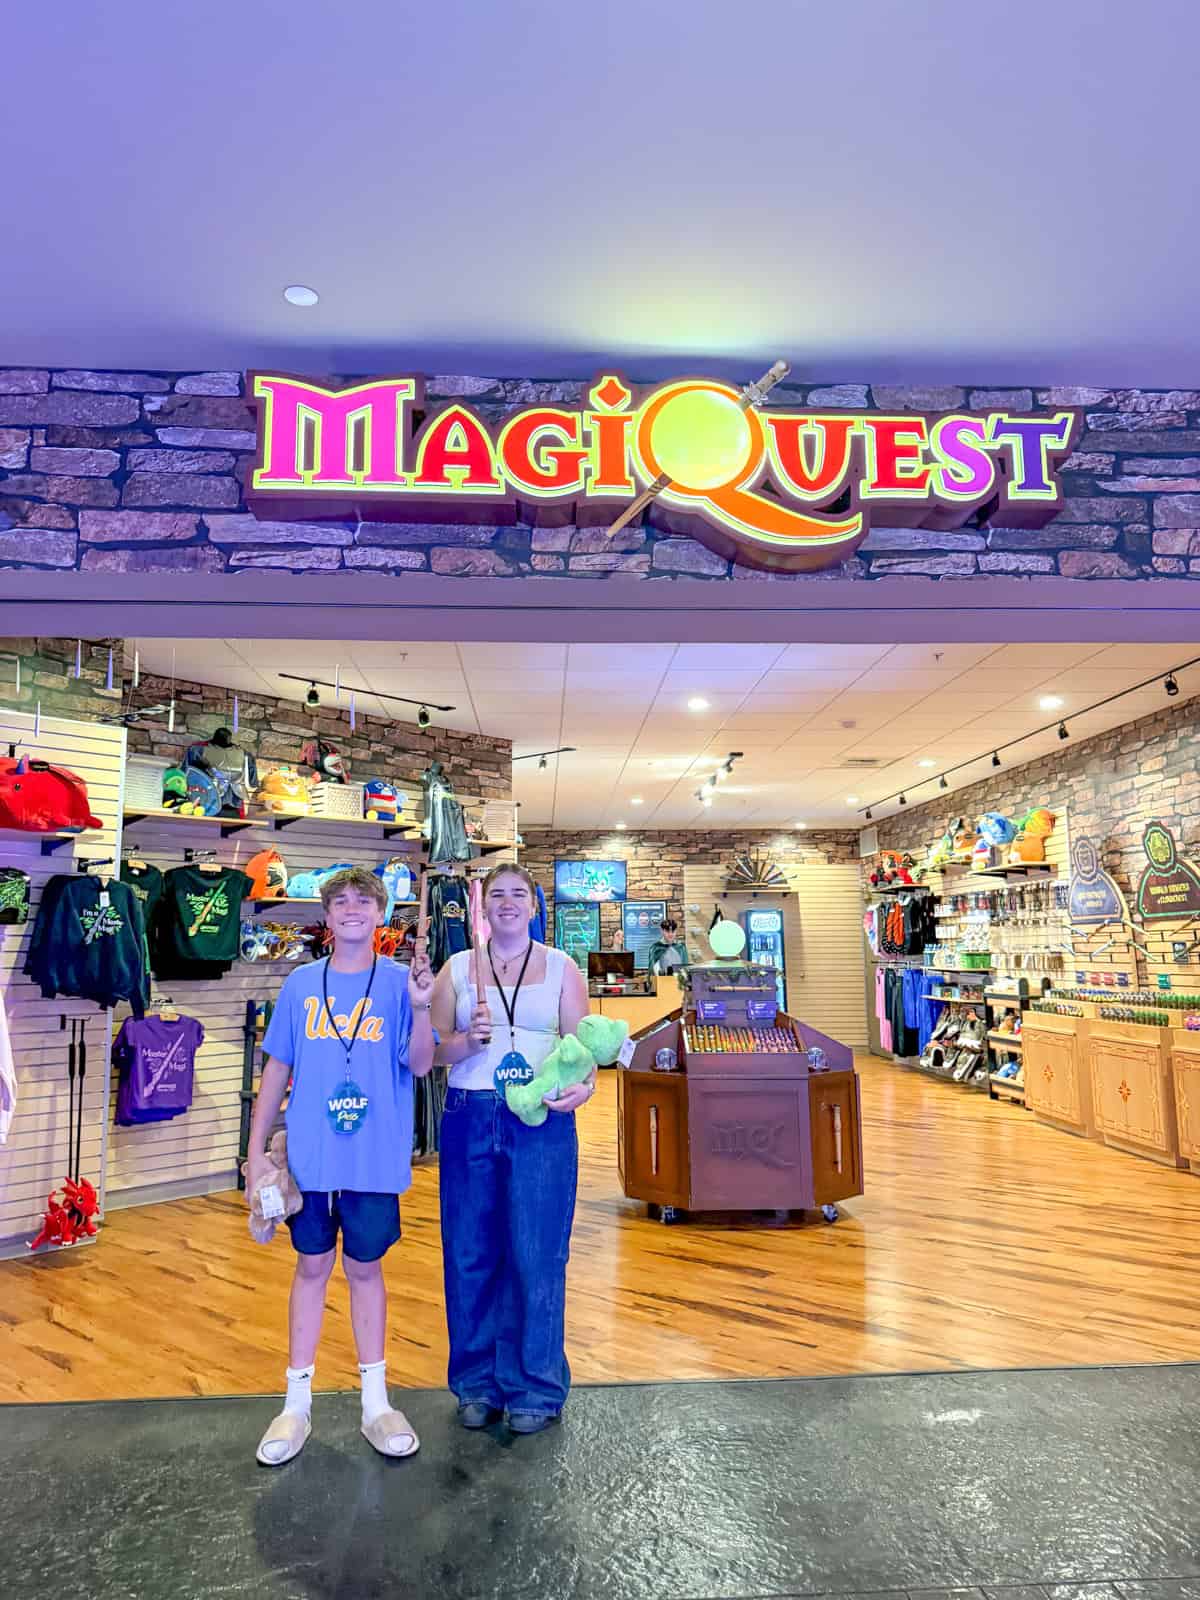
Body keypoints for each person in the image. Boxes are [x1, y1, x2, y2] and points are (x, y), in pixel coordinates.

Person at [245, 866, 435, 1466]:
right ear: (326, 916)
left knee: (365, 1269)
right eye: (341, 902)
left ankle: (376, 1404)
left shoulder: (403, 982)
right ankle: (295, 1406)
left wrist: (422, 1008)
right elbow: (277, 1067)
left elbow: (421, 1064)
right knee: (310, 1267)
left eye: (364, 900)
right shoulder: (302, 983)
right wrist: (254, 1152)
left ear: (381, 913)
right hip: (311, 1156)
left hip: (373, 1157)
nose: (352, 909)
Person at [431, 862, 593, 1434]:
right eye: (496, 894)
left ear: (533, 905)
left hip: (540, 1119)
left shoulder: (562, 968)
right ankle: (476, 1383)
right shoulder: (456, 968)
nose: (507, 902)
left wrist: (584, 1087)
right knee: (468, 1251)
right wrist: (463, 1042)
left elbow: (581, 1051)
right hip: (470, 1113)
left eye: (517, 894)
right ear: (482, 907)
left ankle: (535, 1387)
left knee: (537, 1251)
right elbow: (432, 1053)